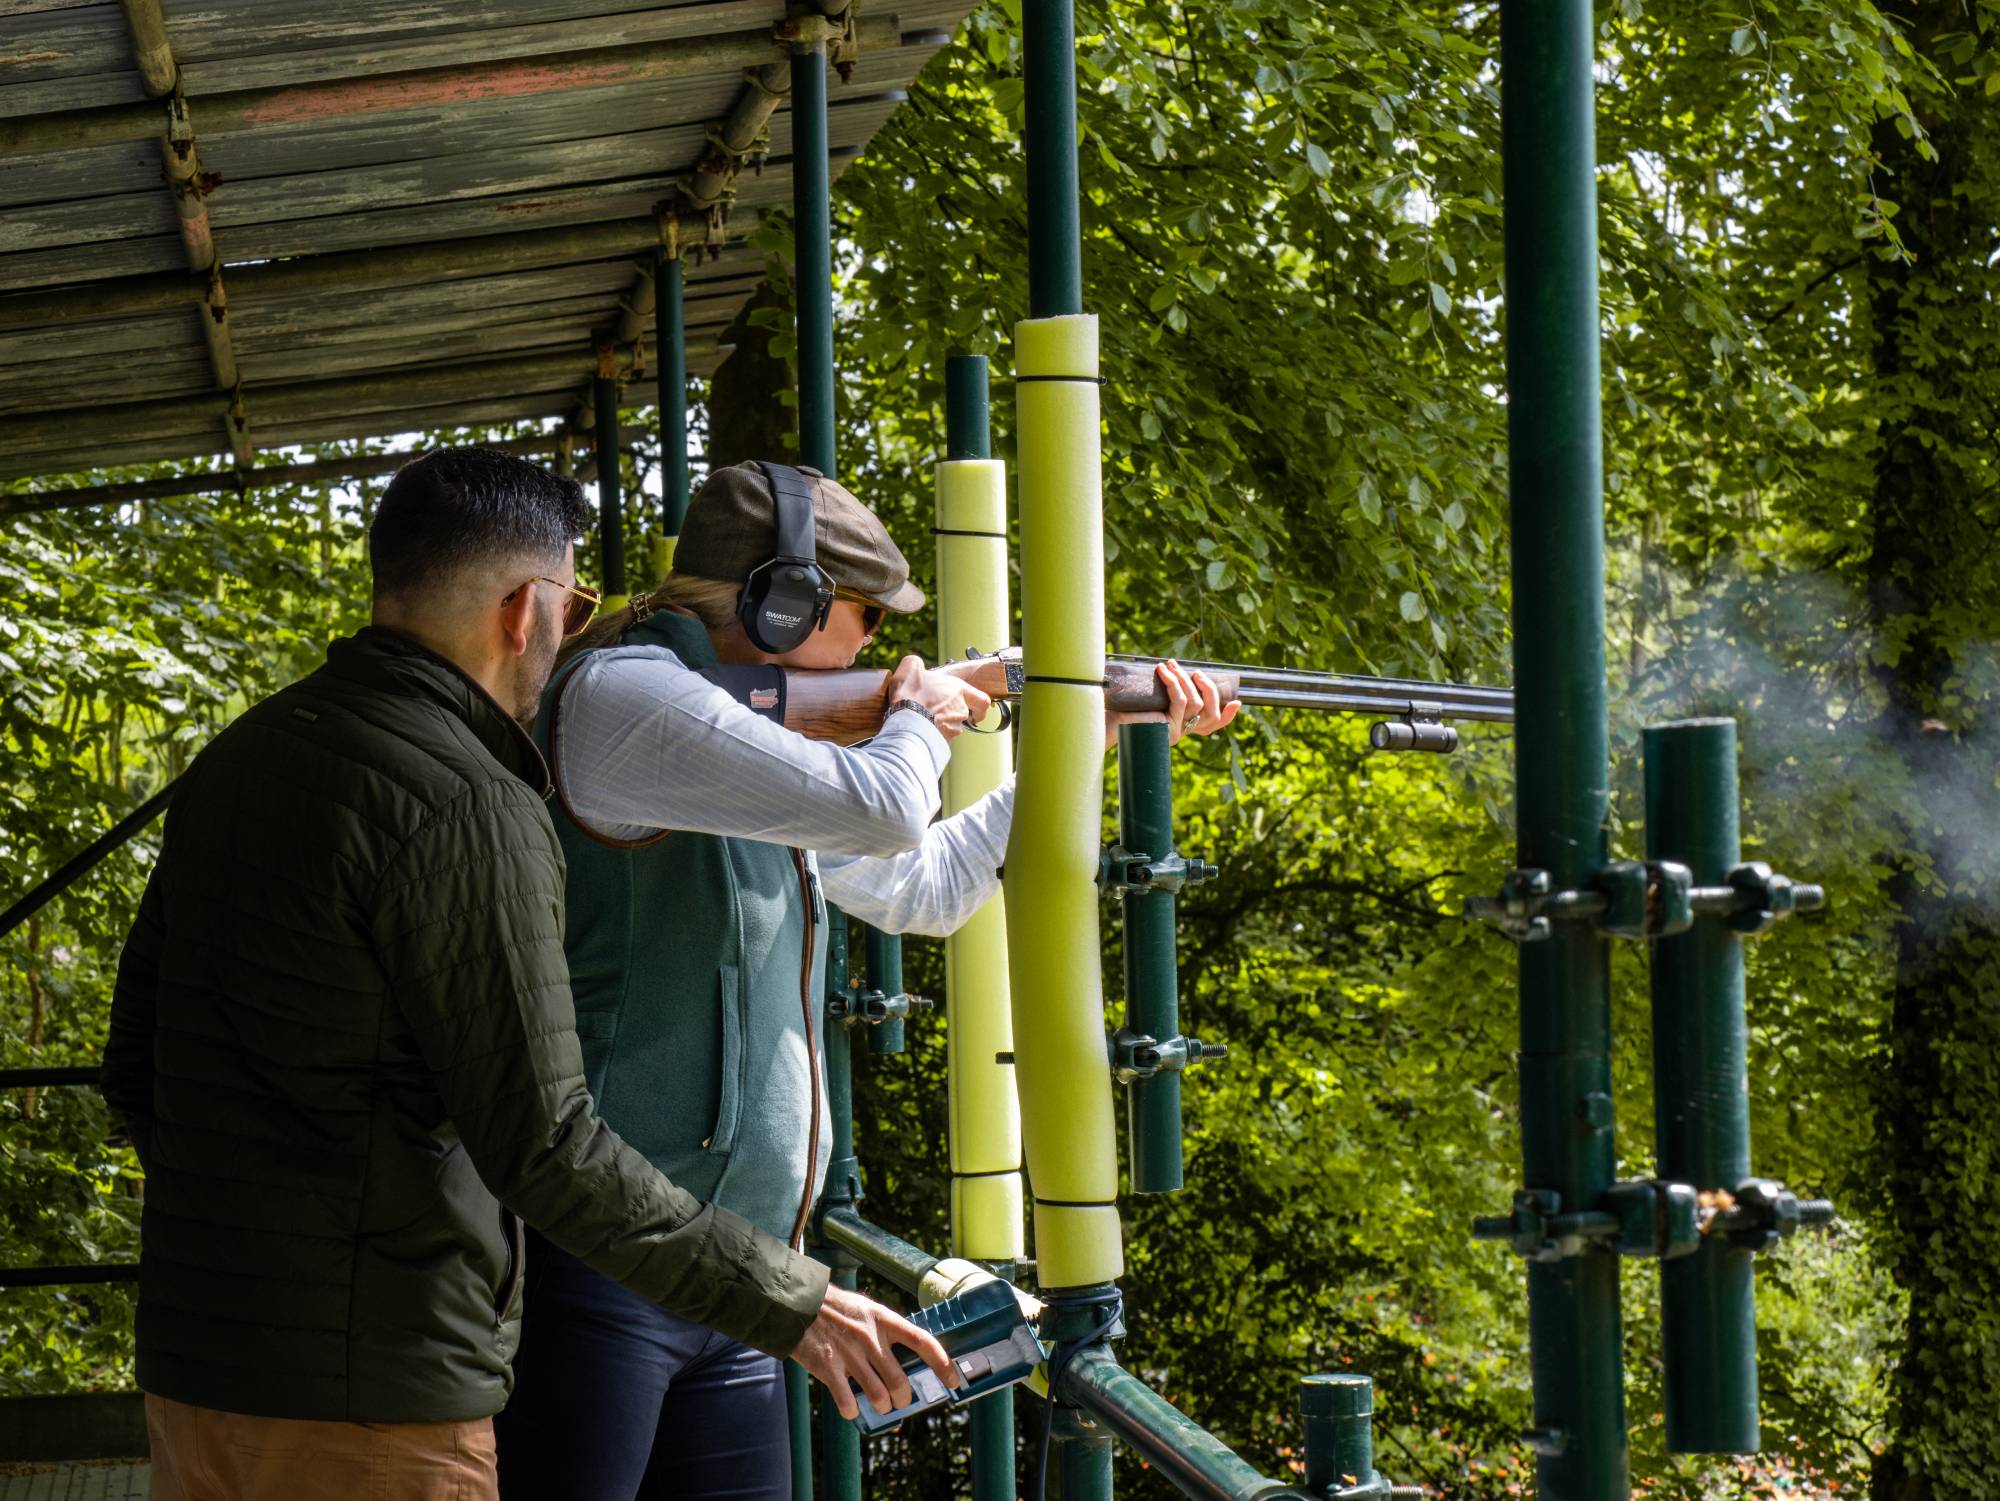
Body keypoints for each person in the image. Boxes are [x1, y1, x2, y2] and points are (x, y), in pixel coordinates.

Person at [99, 447, 963, 1501]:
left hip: (202, 1365)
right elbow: (547, 1142)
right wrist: (795, 1300)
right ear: (525, 609)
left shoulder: (242, 756)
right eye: (575, 600)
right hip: (380, 1379)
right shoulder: (470, 800)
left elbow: (134, 1059)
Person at [494, 460, 1239, 1501]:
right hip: (604, 1266)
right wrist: (924, 709)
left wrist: (1084, 736)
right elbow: (888, 808)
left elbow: (925, 885)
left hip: (743, 1272)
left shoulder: (759, 739)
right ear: (782, 601)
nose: (875, 651)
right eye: (862, 621)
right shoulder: (625, 692)